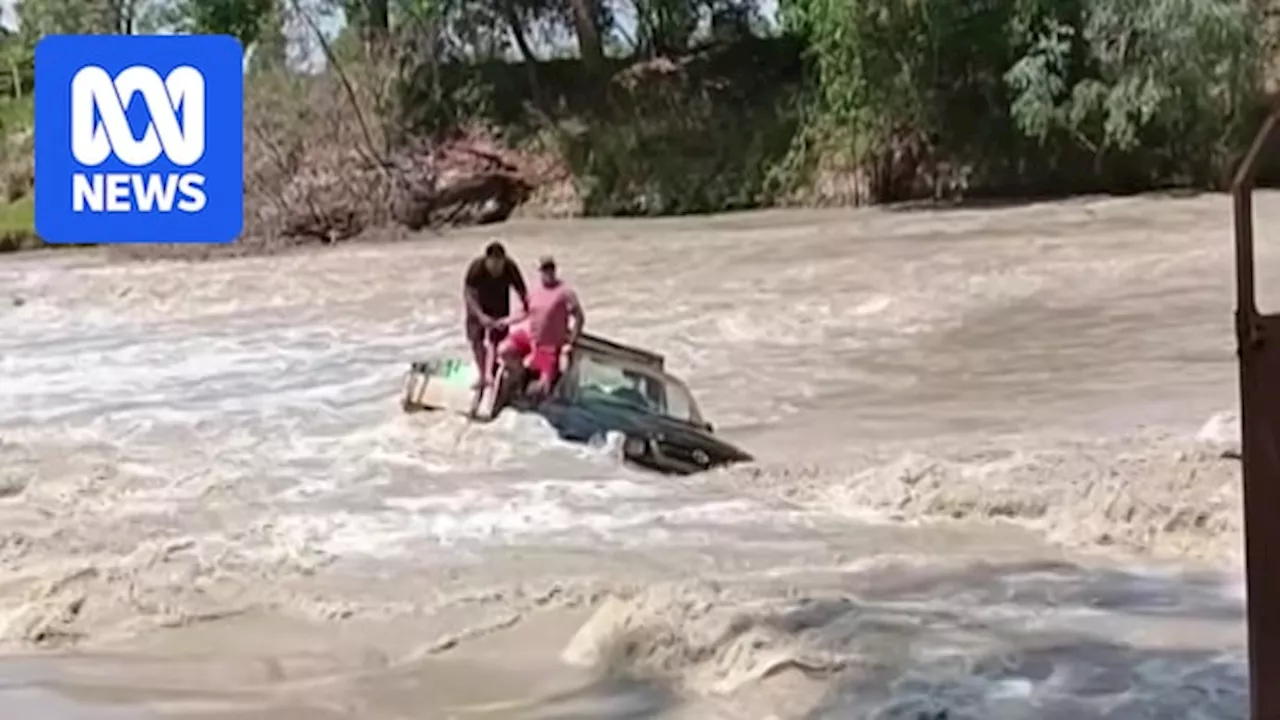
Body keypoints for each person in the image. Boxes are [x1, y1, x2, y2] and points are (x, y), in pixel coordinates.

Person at [500, 255, 584, 398]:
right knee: (504, 349)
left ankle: (537, 382)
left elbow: (579, 317)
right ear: (540, 272)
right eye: (545, 269)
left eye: (550, 269)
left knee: (541, 388)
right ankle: (520, 375)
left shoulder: (565, 292)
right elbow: (524, 313)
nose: (548, 272)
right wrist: (505, 321)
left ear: (555, 270)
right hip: (529, 338)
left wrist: (571, 342)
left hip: (548, 346)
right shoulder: (533, 292)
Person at [463, 241, 529, 389]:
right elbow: (468, 295)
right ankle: (482, 375)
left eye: (499, 265)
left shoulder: (510, 267)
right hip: (477, 306)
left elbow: (522, 291)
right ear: (486, 261)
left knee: (497, 340)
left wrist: (529, 309)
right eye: (493, 266)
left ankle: (491, 374)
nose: (496, 269)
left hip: (499, 303)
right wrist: (480, 316)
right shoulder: (477, 268)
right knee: (476, 340)